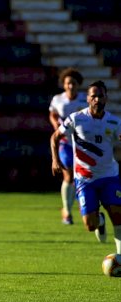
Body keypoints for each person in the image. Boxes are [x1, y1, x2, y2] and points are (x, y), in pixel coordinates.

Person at [51, 80, 121, 254]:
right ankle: (100, 221)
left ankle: (119, 258)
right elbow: (55, 137)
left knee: (118, 218)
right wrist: (55, 160)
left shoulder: (114, 122)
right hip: (84, 179)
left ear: (106, 98)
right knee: (90, 225)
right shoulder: (76, 118)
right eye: (93, 96)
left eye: (100, 96)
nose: (97, 99)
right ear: (88, 99)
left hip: (109, 176)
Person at [49, 68, 86, 224]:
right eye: (68, 83)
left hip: (82, 144)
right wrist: (56, 126)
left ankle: (78, 205)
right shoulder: (58, 99)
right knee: (68, 175)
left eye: (73, 83)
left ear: (78, 85)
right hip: (65, 143)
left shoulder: (85, 99)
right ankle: (67, 212)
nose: (71, 86)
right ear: (64, 85)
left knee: (81, 177)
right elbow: (52, 114)